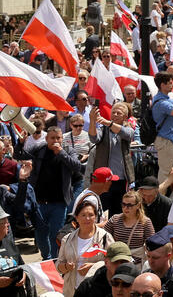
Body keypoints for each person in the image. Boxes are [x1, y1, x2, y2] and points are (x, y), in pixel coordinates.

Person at [19, 125, 82, 259]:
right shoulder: (39, 149)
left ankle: (54, 260)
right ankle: (46, 257)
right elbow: (20, 155)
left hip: (59, 203)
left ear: (62, 138)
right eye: (52, 138)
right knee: (40, 234)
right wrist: (21, 143)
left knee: (56, 234)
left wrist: (61, 153)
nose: (55, 141)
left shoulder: (68, 150)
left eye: (58, 138)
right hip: (39, 202)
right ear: (46, 138)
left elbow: (77, 166)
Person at [55, 200, 113, 296]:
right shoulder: (67, 239)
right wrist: (66, 266)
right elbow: (58, 265)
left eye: (91, 215)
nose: (87, 218)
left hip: (97, 290)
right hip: (72, 290)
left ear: (95, 217)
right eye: (83, 215)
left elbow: (113, 263)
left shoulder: (105, 237)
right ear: (77, 218)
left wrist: (94, 267)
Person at [87, 102, 134, 217]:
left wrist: (107, 123)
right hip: (104, 180)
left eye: (119, 113)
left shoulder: (127, 128)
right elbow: (93, 138)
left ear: (125, 117)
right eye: (113, 112)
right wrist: (92, 121)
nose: (115, 115)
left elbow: (128, 134)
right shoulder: (103, 129)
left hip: (121, 179)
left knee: (119, 212)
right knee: (103, 211)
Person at [105, 189, 155, 262]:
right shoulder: (115, 219)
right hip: (117, 262)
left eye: (129, 205)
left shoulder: (145, 222)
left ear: (138, 205)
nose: (126, 208)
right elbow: (103, 236)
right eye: (123, 204)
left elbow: (151, 243)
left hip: (136, 263)